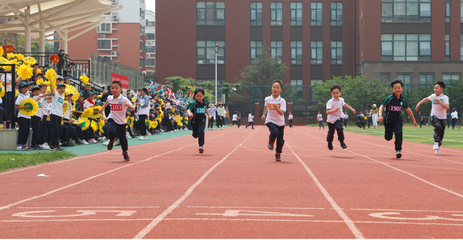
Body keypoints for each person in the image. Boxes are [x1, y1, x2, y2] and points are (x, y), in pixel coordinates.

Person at [379, 79, 417, 158]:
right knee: (388, 138)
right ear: (392, 89)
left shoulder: (403, 100)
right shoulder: (389, 98)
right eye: (395, 88)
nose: (397, 89)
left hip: (397, 119)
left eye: (399, 88)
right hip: (388, 120)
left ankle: (398, 150)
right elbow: (381, 106)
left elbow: (408, 109)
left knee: (399, 133)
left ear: (402, 89)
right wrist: (380, 115)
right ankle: (389, 134)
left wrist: (414, 120)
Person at [99, 81, 135, 161]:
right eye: (112, 88)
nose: (114, 89)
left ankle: (125, 152)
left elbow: (133, 108)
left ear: (121, 89)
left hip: (121, 121)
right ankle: (112, 140)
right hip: (112, 118)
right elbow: (107, 101)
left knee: (123, 139)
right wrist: (102, 108)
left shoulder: (124, 99)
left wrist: (130, 106)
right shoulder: (110, 97)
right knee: (111, 130)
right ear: (110, 89)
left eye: (116, 88)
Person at [415, 81, 449, 155]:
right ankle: (436, 142)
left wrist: (440, 102)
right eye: (434, 88)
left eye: (437, 88)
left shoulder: (445, 97)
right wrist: (419, 103)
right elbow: (426, 99)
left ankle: (438, 147)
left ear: (442, 89)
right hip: (434, 116)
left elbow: (447, 107)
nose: (435, 89)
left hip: (443, 118)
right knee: (438, 126)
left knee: (441, 132)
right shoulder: (433, 96)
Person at [261, 80, 286, 161]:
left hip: (280, 122)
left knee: (280, 140)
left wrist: (277, 108)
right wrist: (264, 114)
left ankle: (278, 153)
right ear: (271, 88)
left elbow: (281, 113)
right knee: (275, 132)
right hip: (270, 120)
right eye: (274, 87)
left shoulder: (282, 101)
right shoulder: (268, 99)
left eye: (277, 87)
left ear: (281, 90)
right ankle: (271, 141)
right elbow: (266, 106)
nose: (275, 89)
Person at [326, 84, 356, 151]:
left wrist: (351, 108)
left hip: (339, 117)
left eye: (337, 93)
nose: (336, 95)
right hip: (331, 119)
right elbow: (327, 112)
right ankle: (330, 142)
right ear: (331, 94)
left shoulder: (341, 100)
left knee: (339, 127)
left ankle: (342, 142)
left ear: (340, 93)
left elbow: (344, 104)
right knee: (331, 132)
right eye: (334, 93)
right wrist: (335, 110)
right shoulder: (330, 102)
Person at [187, 87, 212, 154]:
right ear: (195, 96)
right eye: (197, 96)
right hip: (194, 121)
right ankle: (196, 134)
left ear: (203, 96)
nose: (199, 98)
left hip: (202, 120)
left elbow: (205, 109)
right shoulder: (193, 103)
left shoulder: (204, 103)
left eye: (200, 96)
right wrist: (190, 114)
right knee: (195, 135)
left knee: (201, 131)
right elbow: (188, 109)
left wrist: (209, 115)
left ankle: (201, 146)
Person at [49, 83, 66, 151]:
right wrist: (51, 82)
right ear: (57, 89)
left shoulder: (62, 97)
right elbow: (52, 90)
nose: (62, 90)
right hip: (54, 114)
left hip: (59, 115)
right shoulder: (56, 95)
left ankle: (56, 143)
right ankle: (53, 144)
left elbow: (59, 106)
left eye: (63, 88)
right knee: (54, 130)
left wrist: (63, 105)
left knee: (58, 130)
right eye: (60, 88)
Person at [15, 82, 32, 150]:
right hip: (22, 116)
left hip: (28, 116)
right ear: (20, 89)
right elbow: (16, 106)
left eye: (26, 87)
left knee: (27, 130)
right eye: (24, 88)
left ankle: (24, 144)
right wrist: (25, 107)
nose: (25, 89)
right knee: (23, 130)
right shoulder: (20, 97)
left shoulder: (27, 96)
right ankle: (19, 144)